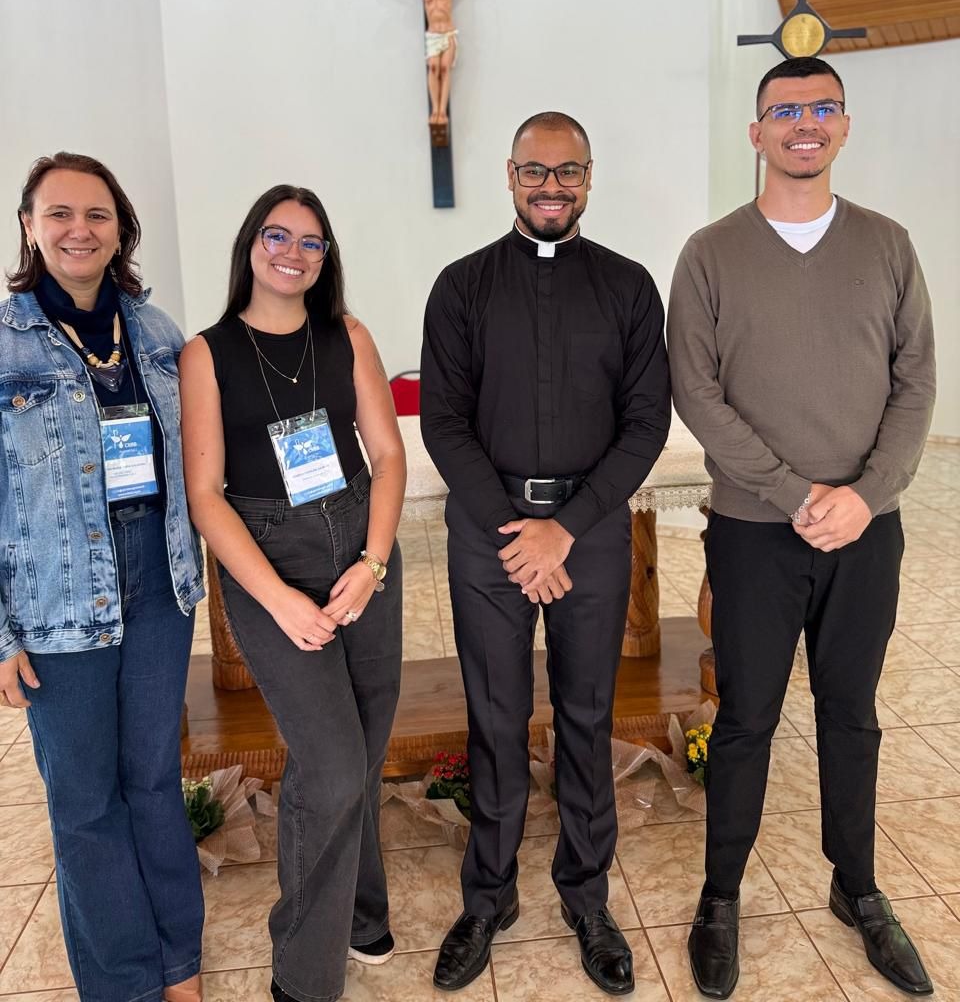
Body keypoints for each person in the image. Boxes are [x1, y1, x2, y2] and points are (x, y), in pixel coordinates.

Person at [668, 56, 936, 999]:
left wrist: (865, 494)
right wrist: (793, 493)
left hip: (868, 529)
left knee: (851, 716)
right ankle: (721, 897)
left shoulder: (889, 246)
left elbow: (915, 387)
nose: (804, 125)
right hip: (753, 530)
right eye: (785, 111)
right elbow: (697, 394)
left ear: (845, 126)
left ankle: (855, 888)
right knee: (745, 719)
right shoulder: (710, 254)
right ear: (757, 133)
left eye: (822, 108)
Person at [421, 111, 671, 996]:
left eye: (568, 172)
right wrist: (517, 531)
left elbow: (647, 422)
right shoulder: (460, 287)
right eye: (536, 171)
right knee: (494, 718)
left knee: (587, 715)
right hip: (491, 535)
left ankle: (586, 895)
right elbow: (444, 421)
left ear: (590, 178)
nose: (551, 186)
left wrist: (567, 526)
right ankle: (487, 898)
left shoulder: (631, 287)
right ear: (510, 176)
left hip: (592, 532)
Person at [179, 185, 405, 1002]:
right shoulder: (207, 354)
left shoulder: (346, 336)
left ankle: (363, 912)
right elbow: (206, 493)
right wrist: (276, 599)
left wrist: (374, 563)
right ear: (250, 244)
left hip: (360, 549)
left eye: (311, 242)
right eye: (278, 235)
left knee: (366, 749)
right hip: (270, 559)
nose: (293, 252)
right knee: (332, 762)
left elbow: (387, 453)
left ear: (325, 258)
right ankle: (305, 971)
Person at [0, 152, 205, 1002]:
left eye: (96, 215)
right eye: (59, 214)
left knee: (154, 780)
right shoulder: (5, 341)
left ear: (121, 228)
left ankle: (180, 965)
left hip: (158, 581)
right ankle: (125, 984)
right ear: (29, 228)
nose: (78, 230)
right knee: (85, 801)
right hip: (56, 600)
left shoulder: (156, 332)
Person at [367, 0, 502, 125]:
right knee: (433, 67)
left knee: (445, 68)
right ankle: (434, 108)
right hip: (433, 35)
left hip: (448, 32)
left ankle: (441, 110)